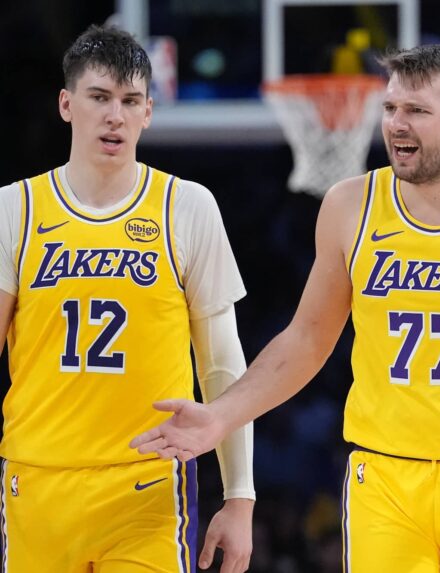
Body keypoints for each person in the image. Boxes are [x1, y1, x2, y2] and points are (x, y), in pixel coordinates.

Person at [133, 45, 440, 572]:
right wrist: (221, 416)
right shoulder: (350, 206)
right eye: (390, 108)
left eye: (417, 110)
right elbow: (307, 340)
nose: (396, 124)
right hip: (385, 482)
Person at [0, 25, 255, 572]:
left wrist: (240, 496)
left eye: (130, 101)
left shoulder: (187, 206)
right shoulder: (14, 208)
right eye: (99, 98)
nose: (115, 115)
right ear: (66, 104)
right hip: (38, 482)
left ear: (148, 113)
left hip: (149, 489)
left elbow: (221, 364)